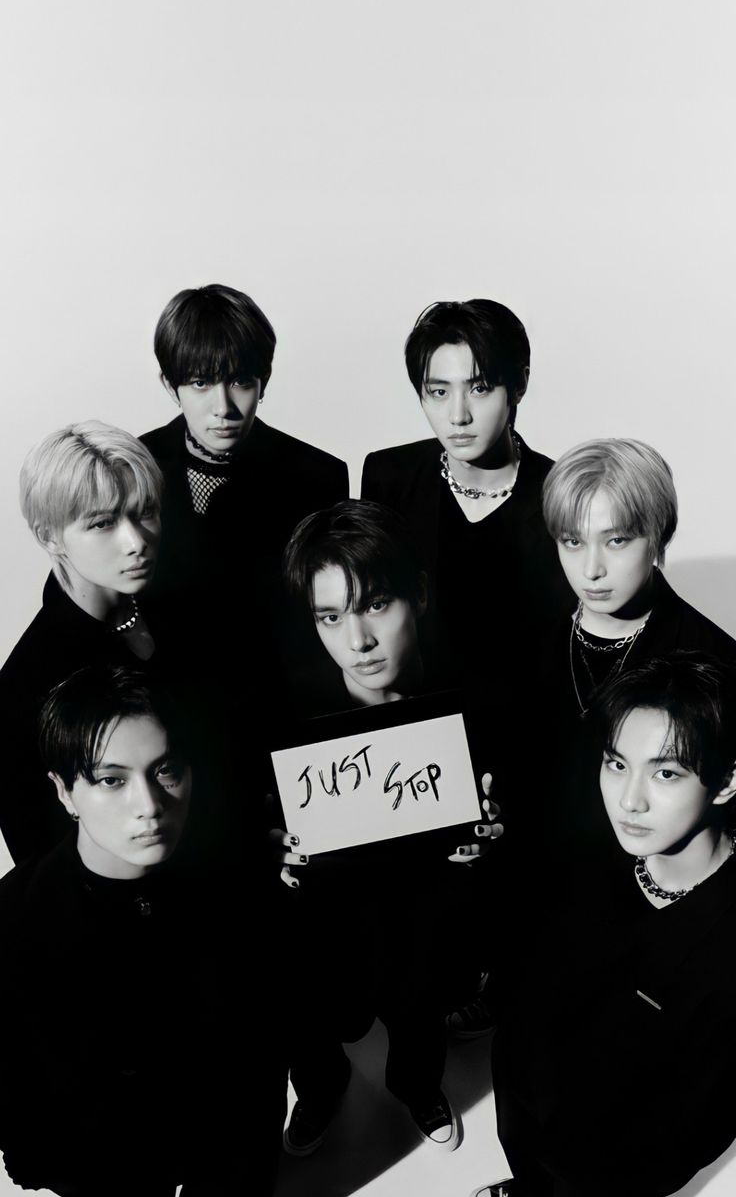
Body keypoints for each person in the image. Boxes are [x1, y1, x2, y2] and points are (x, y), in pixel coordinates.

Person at [0, 666, 288, 1197]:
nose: (149, 806)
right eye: (111, 779)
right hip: (112, 1154)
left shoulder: (235, 878)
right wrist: (63, 1165)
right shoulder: (16, 920)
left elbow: (279, 1009)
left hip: (225, 1123)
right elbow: (13, 1086)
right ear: (64, 792)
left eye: (166, 771)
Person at [471, 653, 736, 1197]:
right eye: (617, 764)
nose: (629, 799)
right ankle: (532, 1191)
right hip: (537, 1081)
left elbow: (710, 1109)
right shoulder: (596, 845)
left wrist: (620, 1174)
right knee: (531, 1156)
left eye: (666, 773)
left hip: (615, 1146)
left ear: (727, 781)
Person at [275, 500, 501, 1157]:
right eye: (331, 617)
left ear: (419, 596)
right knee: (309, 1005)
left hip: (430, 919)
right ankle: (319, 1090)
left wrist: (490, 837)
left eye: (376, 604)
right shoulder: (286, 711)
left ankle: (417, 1084)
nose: (358, 641)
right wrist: (276, 853)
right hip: (328, 923)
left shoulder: (477, 697)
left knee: (420, 1007)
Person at [535, 437, 736, 862]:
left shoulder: (716, 660)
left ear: (657, 535)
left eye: (617, 540)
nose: (591, 570)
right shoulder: (528, 646)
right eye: (573, 541)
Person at [361, 298, 573, 697]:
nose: (458, 415)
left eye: (479, 388)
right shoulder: (388, 477)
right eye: (439, 392)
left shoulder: (561, 494)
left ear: (519, 385)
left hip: (527, 721)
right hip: (416, 719)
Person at [141, 283, 349, 666]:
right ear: (171, 386)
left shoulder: (318, 477)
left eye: (240, 381)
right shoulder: (135, 467)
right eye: (200, 383)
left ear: (263, 381)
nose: (223, 407)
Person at [0, 422, 166, 864]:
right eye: (103, 523)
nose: (136, 542)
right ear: (49, 537)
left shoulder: (186, 615)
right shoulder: (24, 685)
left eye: (144, 512)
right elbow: (43, 863)